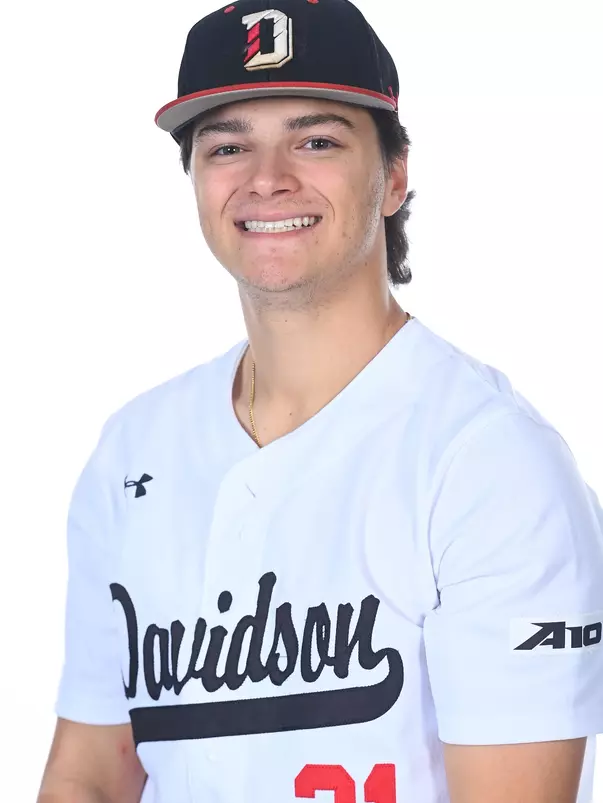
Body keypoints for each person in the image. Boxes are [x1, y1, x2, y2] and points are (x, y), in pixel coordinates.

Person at [37, 1, 603, 801]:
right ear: (197, 182)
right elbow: (87, 775)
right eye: (227, 145)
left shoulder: (490, 463)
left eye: (316, 140)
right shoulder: (133, 449)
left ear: (393, 177)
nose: (267, 178)